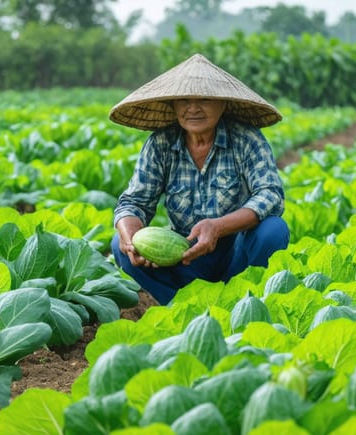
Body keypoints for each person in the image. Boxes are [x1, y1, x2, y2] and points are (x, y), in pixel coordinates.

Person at [109, 53, 290, 305]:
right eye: (184, 99)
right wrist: (131, 237)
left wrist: (217, 227)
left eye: (204, 98)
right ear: (173, 105)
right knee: (120, 244)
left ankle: (246, 302)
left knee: (272, 230)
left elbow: (270, 195)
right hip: (185, 256)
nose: (192, 108)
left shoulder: (246, 139)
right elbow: (134, 203)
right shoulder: (161, 143)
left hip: (236, 254)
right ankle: (182, 307)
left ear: (223, 103)